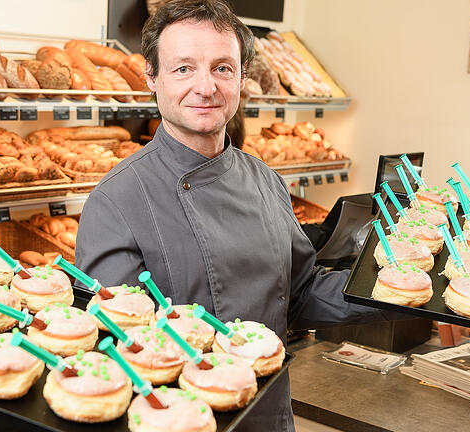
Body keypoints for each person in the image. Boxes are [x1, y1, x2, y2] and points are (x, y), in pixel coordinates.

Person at [75, 1, 390, 429]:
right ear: (152, 77)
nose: (205, 87)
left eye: (222, 68)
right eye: (183, 68)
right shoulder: (115, 201)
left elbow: (300, 294)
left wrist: (390, 289)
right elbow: (119, 348)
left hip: (269, 415)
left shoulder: (265, 180)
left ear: (242, 78)